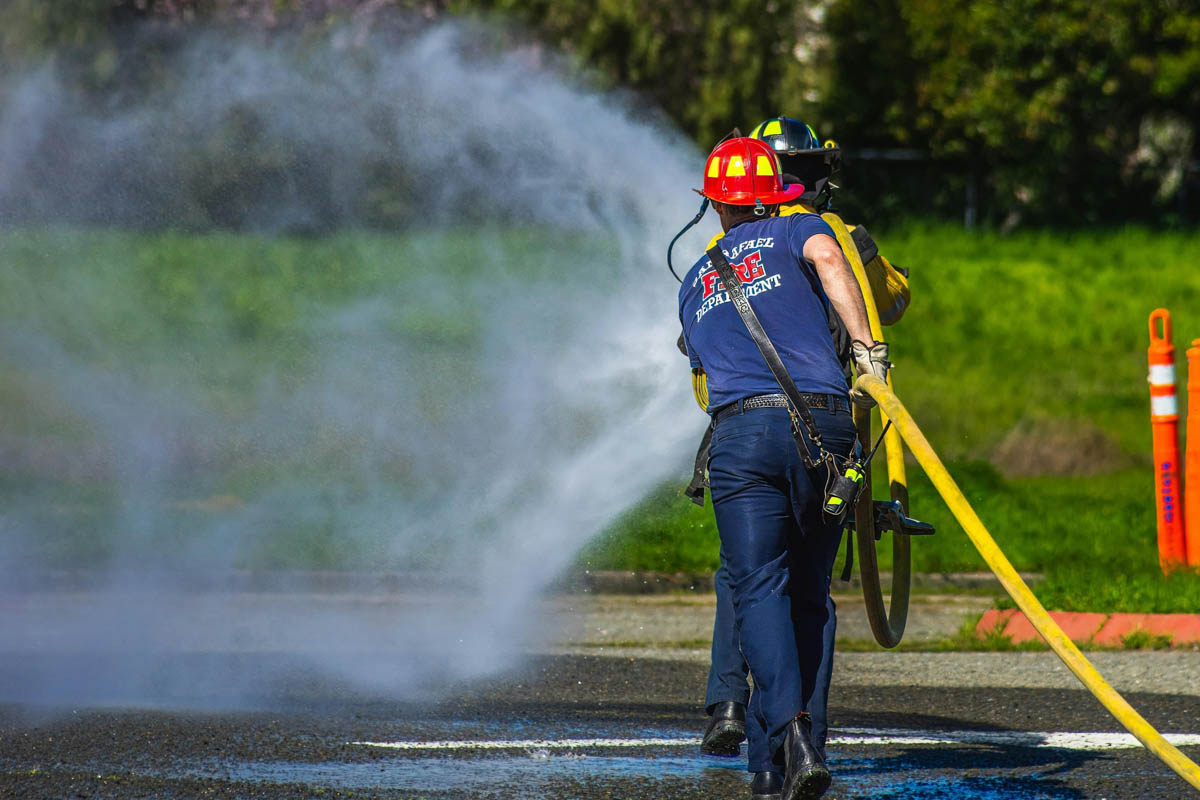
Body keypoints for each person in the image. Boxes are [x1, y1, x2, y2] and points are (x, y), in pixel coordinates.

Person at [678, 135, 889, 800]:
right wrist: (867, 350)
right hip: (825, 425)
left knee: (757, 590)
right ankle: (801, 751)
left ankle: (780, 745)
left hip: (741, 439)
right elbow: (832, 258)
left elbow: (699, 363)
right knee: (809, 594)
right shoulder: (799, 229)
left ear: (714, 204)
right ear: (776, 194)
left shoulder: (695, 279)